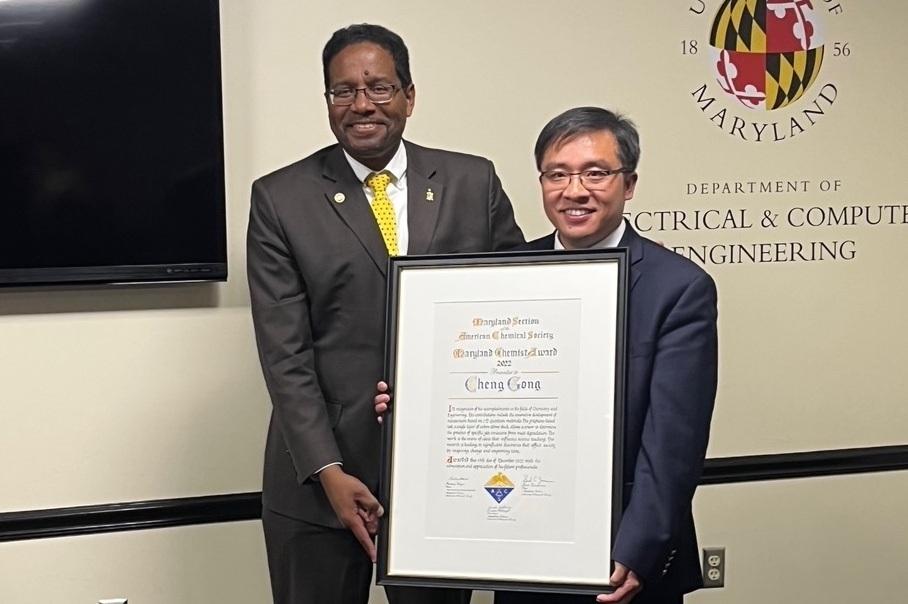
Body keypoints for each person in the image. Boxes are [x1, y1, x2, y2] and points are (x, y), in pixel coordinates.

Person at [376, 107, 717, 604]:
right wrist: (412, 406)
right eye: (557, 174)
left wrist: (639, 548)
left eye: (596, 173)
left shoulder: (678, 288)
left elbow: (673, 445)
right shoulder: (502, 276)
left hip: (622, 565)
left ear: (630, 183)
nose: (574, 190)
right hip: (521, 553)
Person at [247, 23, 524, 604]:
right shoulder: (280, 198)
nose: (361, 105)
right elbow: (284, 353)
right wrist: (328, 470)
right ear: (327, 100)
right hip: (321, 481)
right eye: (342, 91)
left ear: (409, 96)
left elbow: (519, 311)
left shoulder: (472, 181)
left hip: (446, 475)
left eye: (378, 87)